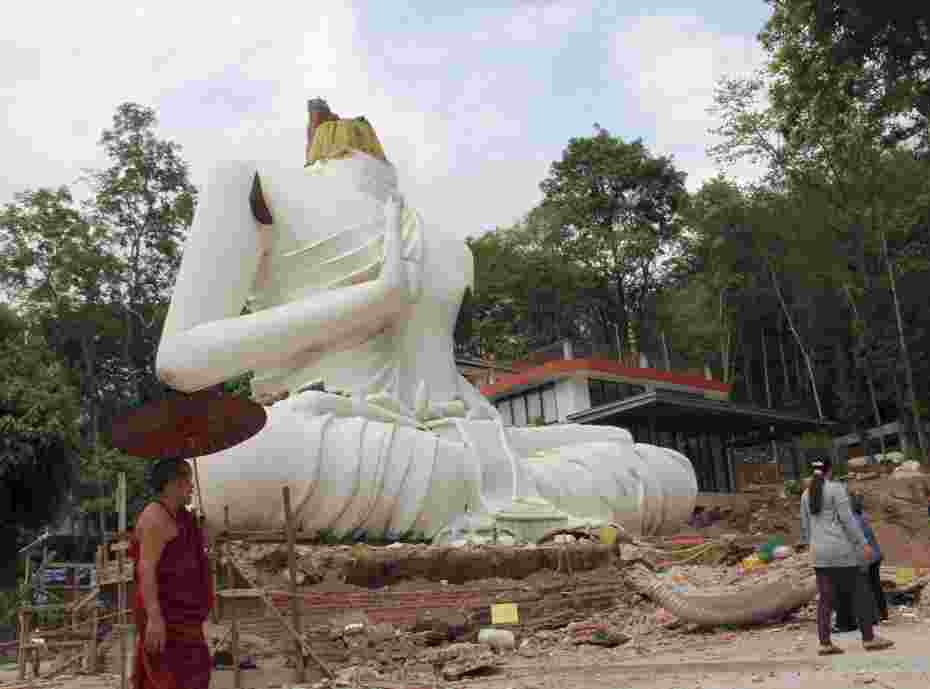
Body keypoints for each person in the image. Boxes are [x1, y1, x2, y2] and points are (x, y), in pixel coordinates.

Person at [153, 99, 698, 541]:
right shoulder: (256, 185)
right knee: (229, 462)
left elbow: (435, 370)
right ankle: (494, 495)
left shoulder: (446, 245)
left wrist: (485, 438)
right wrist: (376, 298)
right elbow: (181, 361)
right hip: (336, 435)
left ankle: (469, 493)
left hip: (433, 446)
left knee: (662, 465)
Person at [128, 458, 214, 689]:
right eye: (187, 478)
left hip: (185, 617)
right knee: (167, 679)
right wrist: (154, 619)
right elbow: (146, 569)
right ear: (170, 484)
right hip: (164, 616)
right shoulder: (154, 517)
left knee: (195, 673)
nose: (192, 485)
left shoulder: (183, 517)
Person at [800, 457, 893, 654]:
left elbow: (806, 528)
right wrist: (863, 543)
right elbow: (848, 520)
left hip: (819, 552)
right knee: (860, 592)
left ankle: (825, 643)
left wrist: (813, 548)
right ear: (830, 470)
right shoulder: (836, 489)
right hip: (841, 549)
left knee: (825, 599)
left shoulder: (806, 494)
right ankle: (869, 639)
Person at [835, 493, 886, 631]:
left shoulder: (853, 520)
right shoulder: (862, 515)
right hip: (874, 555)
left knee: (864, 588)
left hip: (865, 558)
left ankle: (866, 618)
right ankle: (880, 615)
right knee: (874, 586)